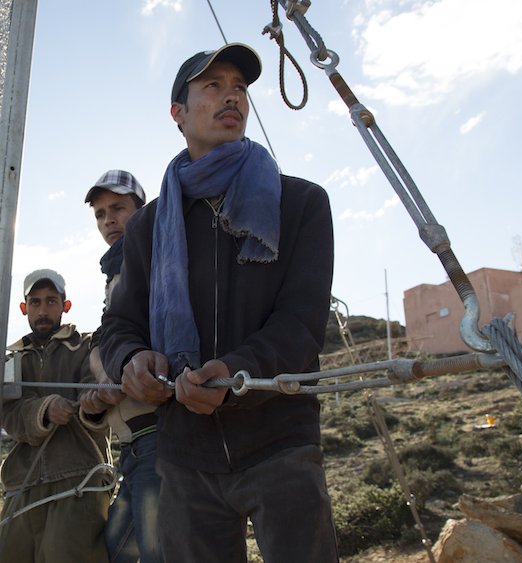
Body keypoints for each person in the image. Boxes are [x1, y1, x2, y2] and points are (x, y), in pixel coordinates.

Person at [98, 43, 339, 562]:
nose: (232, 96)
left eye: (240, 88)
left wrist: (234, 373)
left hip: (282, 441)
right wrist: (131, 362)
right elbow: (118, 324)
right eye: (213, 85)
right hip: (184, 456)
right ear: (178, 114)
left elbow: (301, 323)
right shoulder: (146, 227)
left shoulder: (300, 203)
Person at [0, 269, 113, 563]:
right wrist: (45, 409)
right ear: (24, 309)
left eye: (51, 301)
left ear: (66, 305)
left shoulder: (87, 347)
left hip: (77, 481)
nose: (43, 310)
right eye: (35, 303)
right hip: (20, 486)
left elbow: (94, 390)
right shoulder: (12, 361)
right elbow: (8, 416)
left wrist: (93, 403)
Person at [79, 171, 163, 563]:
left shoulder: (152, 261)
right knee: (117, 552)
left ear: (141, 210)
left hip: (158, 435)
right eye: (99, 214)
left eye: (117, 208)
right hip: (131, 445)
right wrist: (101, 386)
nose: (108, 220)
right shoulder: (115, 272)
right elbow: (106, 348)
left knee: (157, 552)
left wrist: (111, 369)